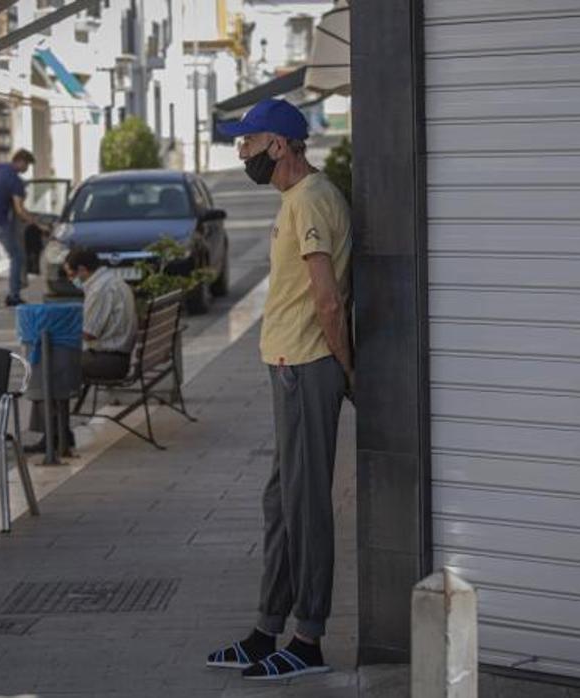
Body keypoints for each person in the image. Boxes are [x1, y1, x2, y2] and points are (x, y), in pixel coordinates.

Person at [205, 99, 352, 680]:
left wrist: (347, 369)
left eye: (248, 141)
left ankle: (308, 640)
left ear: (280, 145)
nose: (240, 151)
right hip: (290, 363)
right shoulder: (296, 199)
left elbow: (328, 298)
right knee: (281, 503)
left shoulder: (312, 201)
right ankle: (268, 629)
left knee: (307, 505)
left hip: (308, 365)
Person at [25, 247, 138, 453]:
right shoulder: (110, 282)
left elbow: (89, 333)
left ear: (83, 270)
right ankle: (58, 434)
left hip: (108, 361)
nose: (71, 280)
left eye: (71, 274)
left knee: (46, 370)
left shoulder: (100, 289)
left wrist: (58, 333)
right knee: (52, 366)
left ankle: (53, 437)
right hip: (114, 355)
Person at [0, 149, 38, 307]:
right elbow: (19, 210)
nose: (27, 169)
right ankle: (13, 295)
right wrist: (35, 222)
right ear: (21, 162)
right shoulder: (15, 181)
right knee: (17, 256)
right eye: (27, 165)